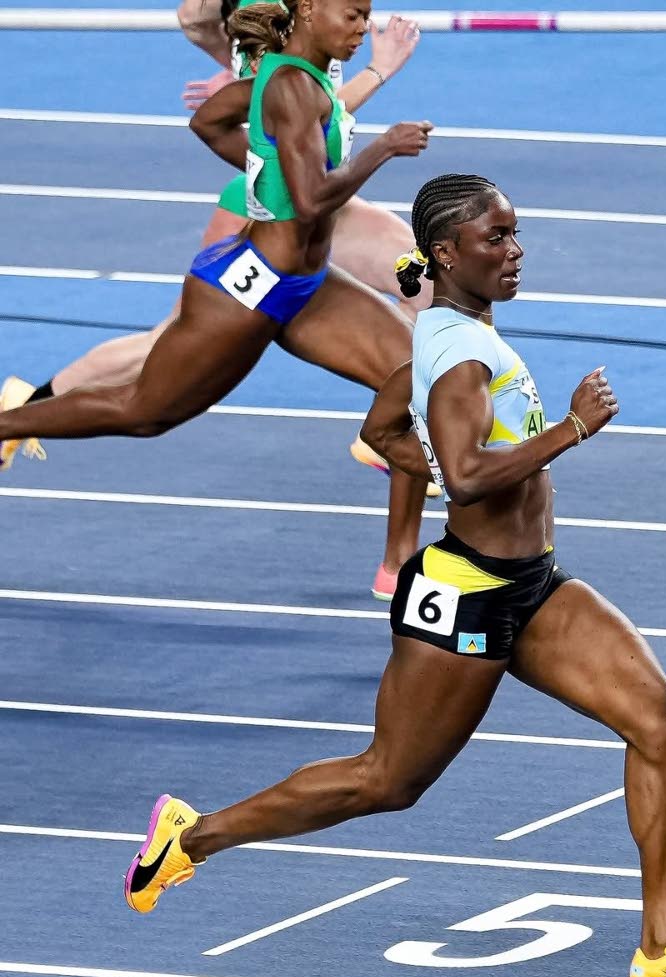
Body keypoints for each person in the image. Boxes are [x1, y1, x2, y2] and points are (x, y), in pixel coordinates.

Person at [122, 173, 666, 977]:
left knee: (659, 724)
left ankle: (660, 950)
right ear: (449, 254)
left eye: (515, 233)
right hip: (464, 596)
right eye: (496, 238)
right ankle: (191, 838)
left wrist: (420, 427)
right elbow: (461, 477)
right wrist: (570, 430)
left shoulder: (451, 335)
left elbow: (379, 432)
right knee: (387, 781)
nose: (515, 249)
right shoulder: (457, 356)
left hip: (532, 585)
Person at [0, 0, 434, 597]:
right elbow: (310, 202)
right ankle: (7, 423)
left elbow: (206, 122)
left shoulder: (281, 80)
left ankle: (398, 568)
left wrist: (263, 163)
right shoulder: (289, 87)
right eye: (353, 16)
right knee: (144, 411)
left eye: (368, 16)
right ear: (308, 10)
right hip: (248, 283)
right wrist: (381, 148)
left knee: (417, 373)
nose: (364, 29)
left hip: (307, 286)